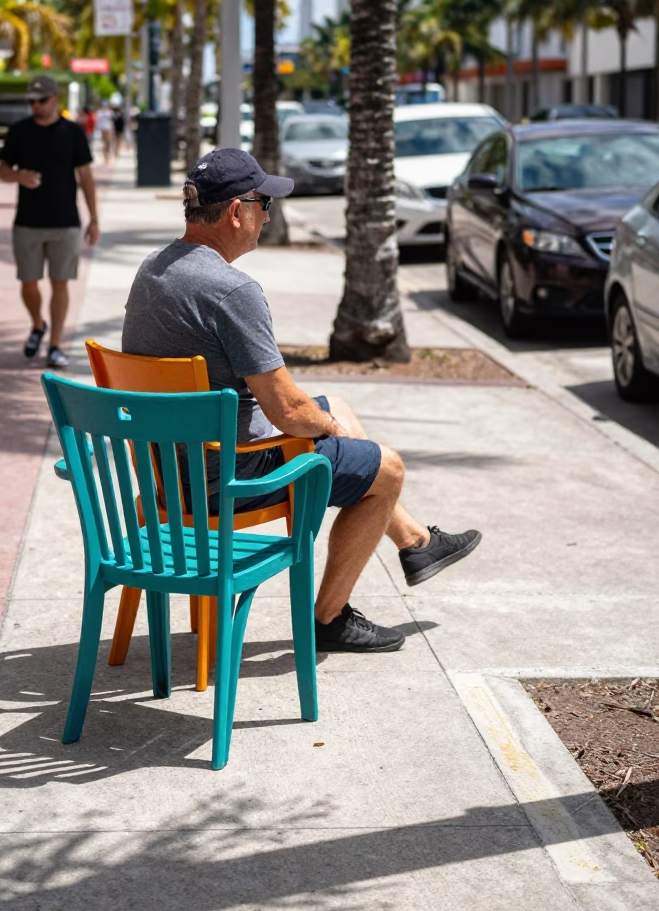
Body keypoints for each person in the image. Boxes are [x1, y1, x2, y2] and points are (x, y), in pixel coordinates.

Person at [122, 149, 482, 653]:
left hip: (167, 468)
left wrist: (326, 417)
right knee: (387, 470)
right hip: (224, 479)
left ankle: (416, 542)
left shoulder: (153, 269)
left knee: (337, 404)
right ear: (235, 211)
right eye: (263, 204)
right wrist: (323, 427)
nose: (267, 216)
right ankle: (329, 619)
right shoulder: (232, 290)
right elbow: (287, 412)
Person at [0, 75, 100, 369]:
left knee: (60, 284)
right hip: (27, 222)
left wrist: (93, 219)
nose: (36, 106)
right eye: (31, 101)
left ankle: (55, 344)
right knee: (28, 283)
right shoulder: (18, 132)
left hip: (65, 221)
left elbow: (86, 177)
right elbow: (2, 170)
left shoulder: (73, 132)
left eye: (41, 100)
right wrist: (19, 176)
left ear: (55, 99)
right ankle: (37, 323)